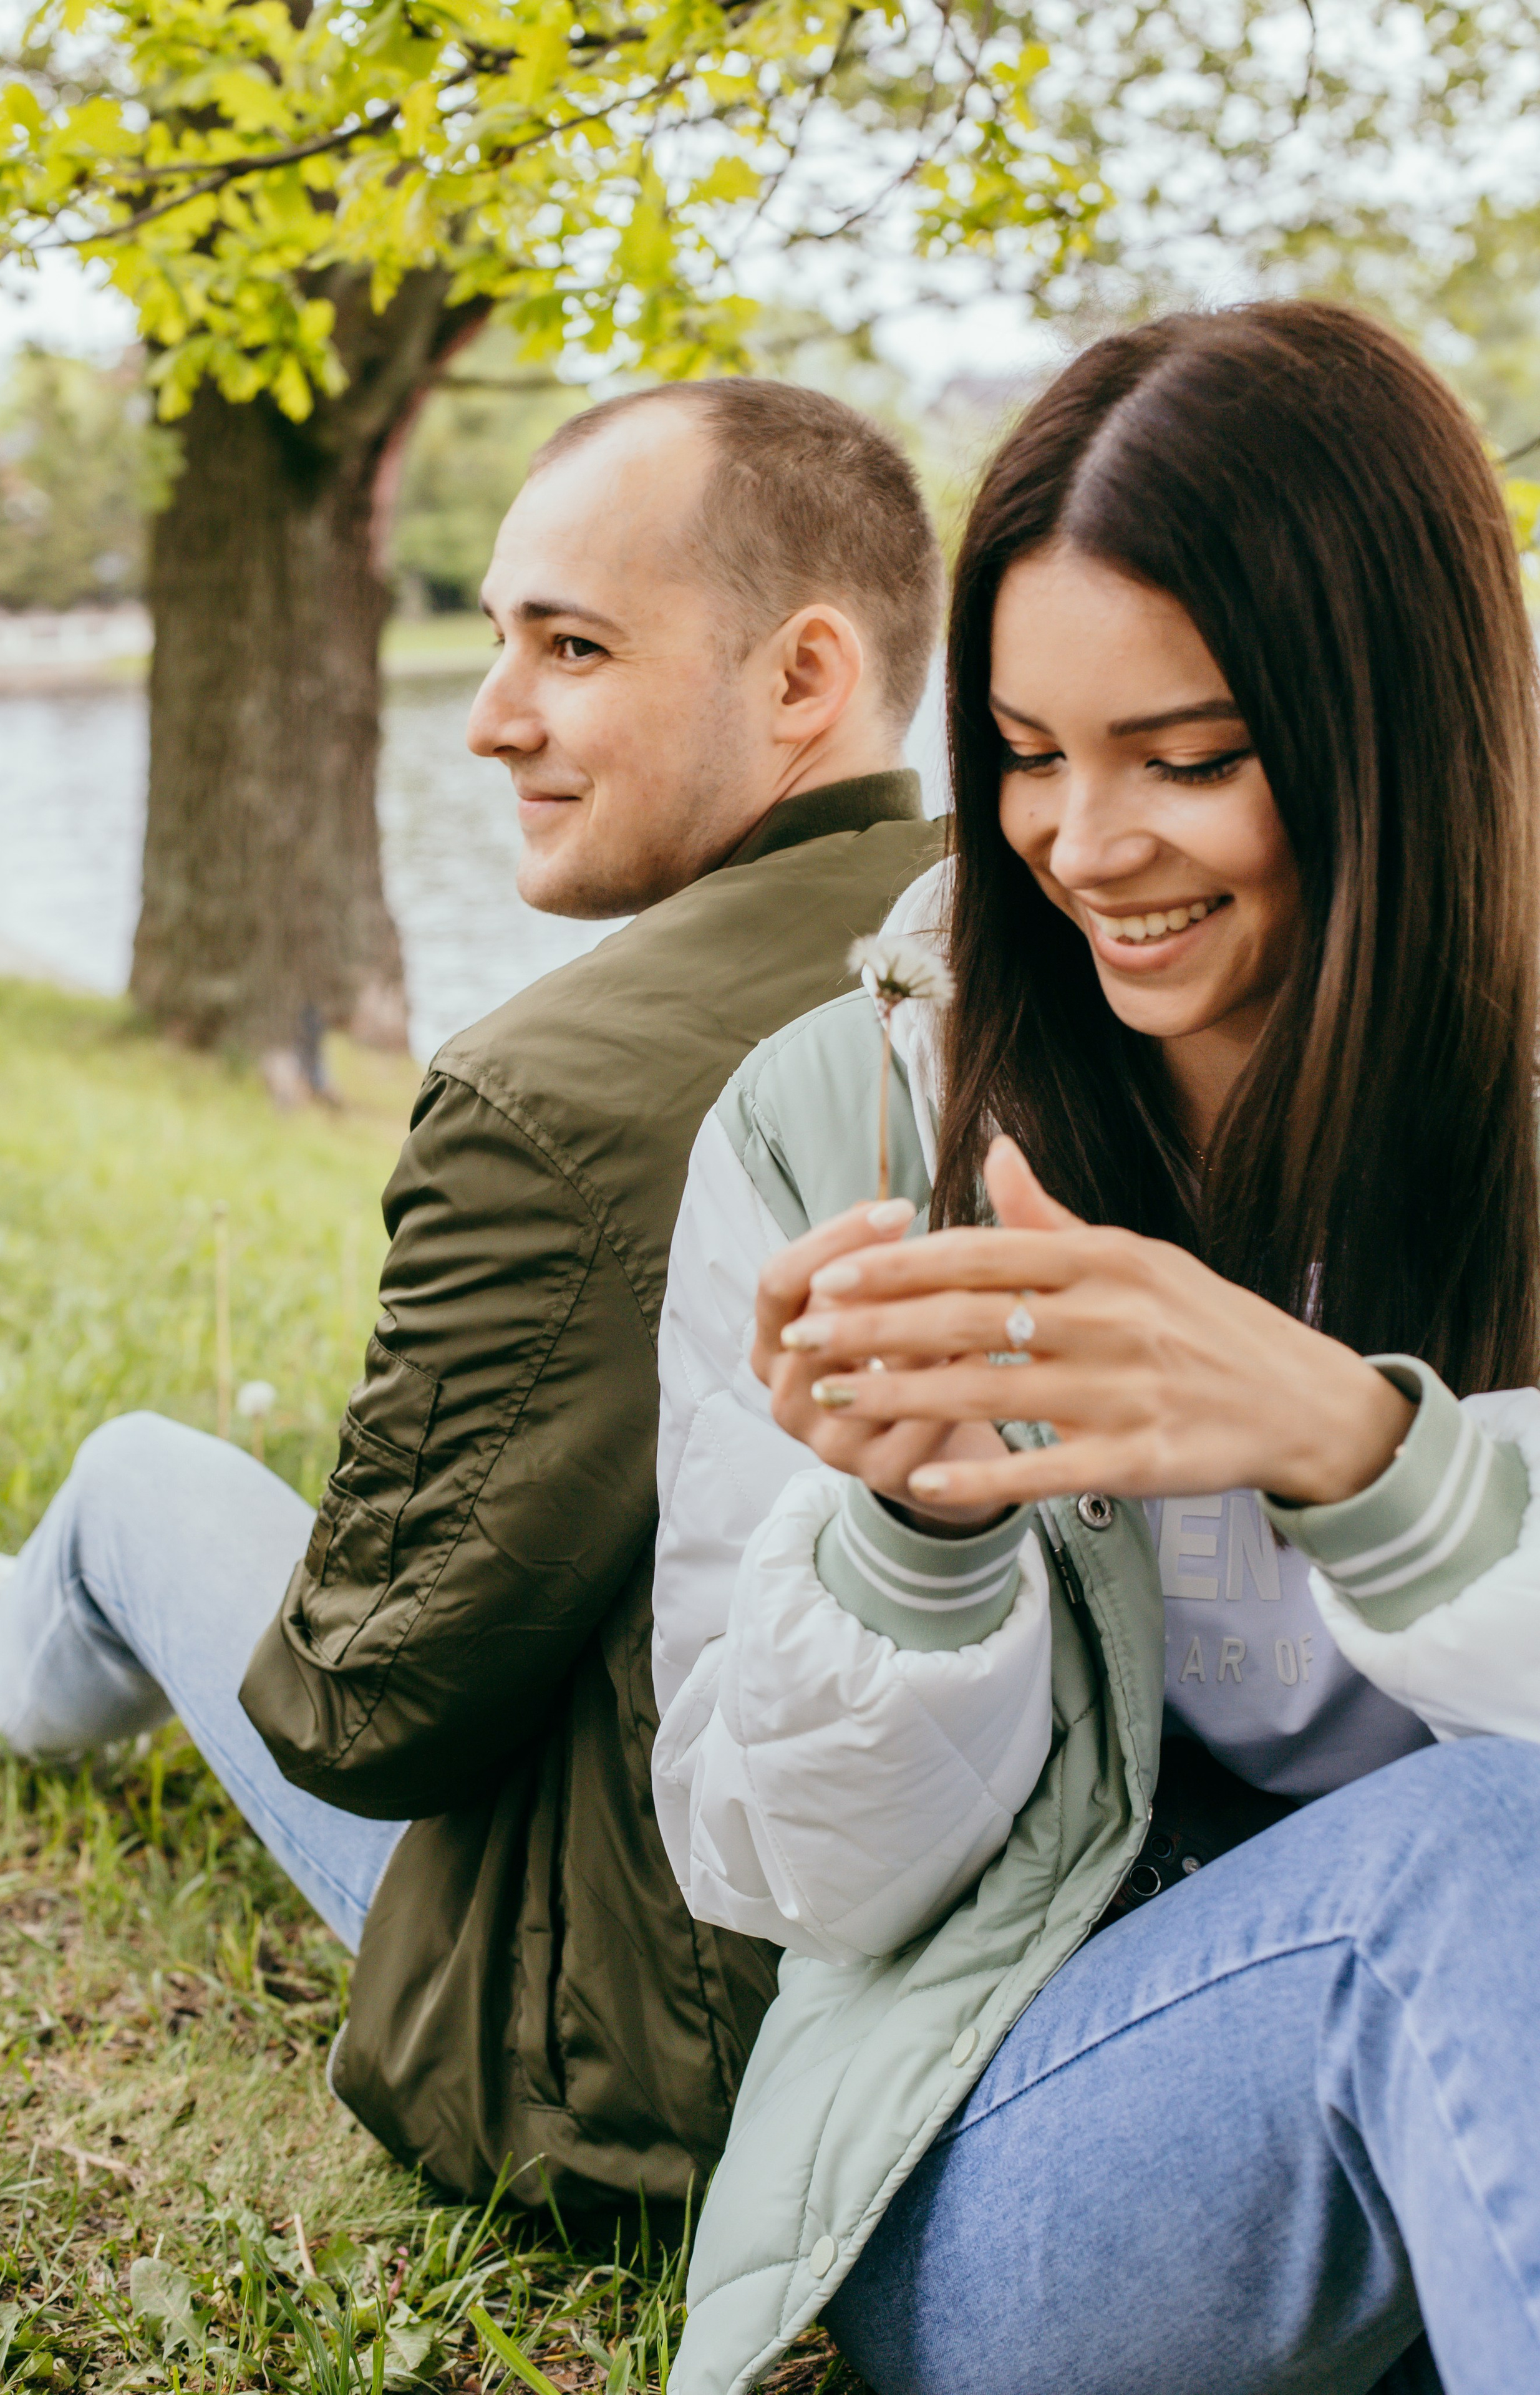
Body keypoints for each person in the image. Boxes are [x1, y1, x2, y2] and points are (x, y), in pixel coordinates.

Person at [650, 302, 1540, 2395]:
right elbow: (773, 1871)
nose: (1081, 849)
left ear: (1399, 724)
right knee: (1472, 1867)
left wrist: (1376, 1469)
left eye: (1191, 760)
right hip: (1046, 2145)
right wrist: (913, 1539)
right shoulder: (843, 1117)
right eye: (1030, 755)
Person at [0, 378, 945, 2220]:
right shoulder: (1042, 949)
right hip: (969, 1959)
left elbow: (363, 1714)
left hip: (645, 2044)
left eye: (570, 646)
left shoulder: (559, 1092)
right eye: (495, 641)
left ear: (803, 679)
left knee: (139, 1485)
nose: (493, 720)